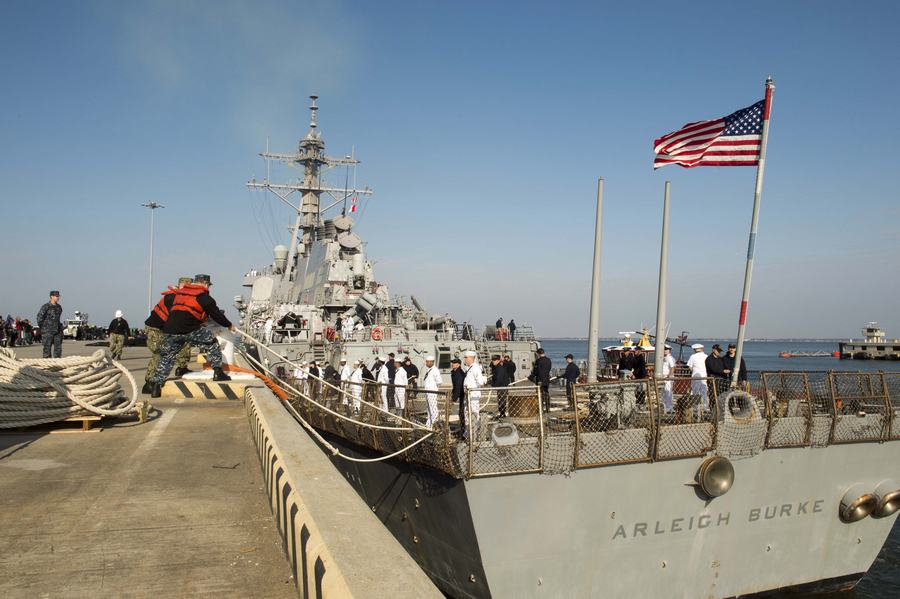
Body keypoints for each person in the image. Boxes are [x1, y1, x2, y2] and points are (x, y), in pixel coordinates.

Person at [149, 274, 234, 398]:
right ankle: (218, 372)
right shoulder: (204, 297)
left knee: (167, 357)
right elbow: (217, 316)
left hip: (170, 329)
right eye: (208, 285)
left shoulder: (179, 293)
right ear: (205, 284)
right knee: (212, 343)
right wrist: (229, 325)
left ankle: (156, 386)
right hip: (190, 329)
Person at [142, 278, 193, 394]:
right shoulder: (173, 298)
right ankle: (149, 383)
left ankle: (182, 367)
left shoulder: (179, 298)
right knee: (160, 353)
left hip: (163, 329)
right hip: (155, 329)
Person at [462, 350, 486, 438]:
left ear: (471, 358)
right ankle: (468, 433)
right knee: (467, 413)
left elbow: (480, 382)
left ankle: (476, 432)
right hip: (468, 395)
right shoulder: (470, 367)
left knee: (474, 413)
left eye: (466, 357)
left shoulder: (475, 368)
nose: (464, 359)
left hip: (473, 395)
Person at [36, 290, 63, 358]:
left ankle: (57, 364)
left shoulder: (59, 307)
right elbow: (39, 317)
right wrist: (43, 327)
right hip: (47, 331)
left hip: (57, 330)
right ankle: (47, 364)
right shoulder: (46, 306)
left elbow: (58, 319)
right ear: (51, 296)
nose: (58, 297)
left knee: (58, 348)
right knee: (47, 349)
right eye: (56, 296)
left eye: (58, 296)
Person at [686, 343, 709, 412]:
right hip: (704, 375)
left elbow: (690, 367)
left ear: (695, 350)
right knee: (704, 391)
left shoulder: (693, 356)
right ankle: (705, 407)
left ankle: (696, 406)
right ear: (702, 349)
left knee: (695, 391)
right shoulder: (706, 356)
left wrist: (694, 371)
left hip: (695, 375)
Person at [421, 355, 443, 427]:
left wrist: (434, 388)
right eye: (426, 362)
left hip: (432, 392)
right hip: (428, 391)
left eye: (427, 362)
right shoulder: (429, 370)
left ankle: (433, 422)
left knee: (433, 407)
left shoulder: (435, 370)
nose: (426, 363)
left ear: (432, 362)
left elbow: (439, 382)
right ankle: (429, 423)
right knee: (429, 407)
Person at [532, 348, 552, 413]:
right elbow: (549, 369)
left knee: (540, 395)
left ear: (538, 354)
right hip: (546, 379)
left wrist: (530, 377)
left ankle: (541, 409)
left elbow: (536, 371)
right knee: (546, 393)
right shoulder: (548, 360)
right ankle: (548, 408)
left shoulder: (538, 361)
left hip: (540, 380)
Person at [450, 358, 465, 436]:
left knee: (462, 413)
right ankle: (462, 430)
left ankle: (463, 432)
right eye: (452, 363)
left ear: (459, 364)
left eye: (455, 363)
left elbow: (458, 386)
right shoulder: (455, 372)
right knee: (461, 413)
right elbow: (455, 386)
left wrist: (454, 398)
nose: (453, 364)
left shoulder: (459, 373)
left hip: (463, 395)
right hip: (461, 394)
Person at [660, 347, 677, 413]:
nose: (664, 351)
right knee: (663, 393)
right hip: (663, 377)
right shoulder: (664, 357)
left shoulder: (669, 358)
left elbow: (672, 367)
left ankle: (669, 407)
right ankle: (665, 406)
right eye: (664, 349)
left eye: (666, 349)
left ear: (669, 351)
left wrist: (669, 376)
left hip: (667, 378)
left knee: (668, 392)